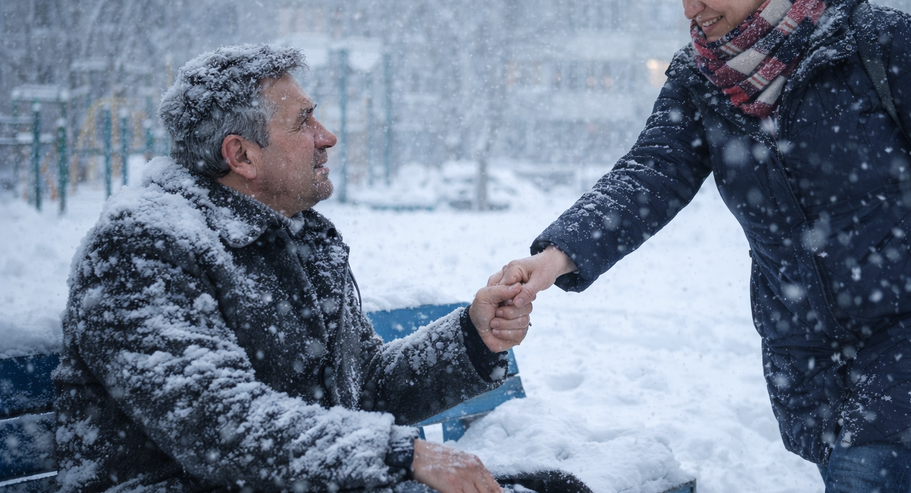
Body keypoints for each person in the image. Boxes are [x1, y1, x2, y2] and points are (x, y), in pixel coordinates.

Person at [491, 0, 911, 491]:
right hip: (806, 347)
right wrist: (554, 258)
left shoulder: (883, 45)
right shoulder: (700, 81)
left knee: (860, 479)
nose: (689, 7)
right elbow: (650, 173)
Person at [53, 44, 582, 493]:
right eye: (303, 121)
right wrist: (401, 456)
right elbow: (218, 423)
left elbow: (363, 388)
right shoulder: (141, 246)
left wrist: (473, 338)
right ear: (241, 155)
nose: (327, 136)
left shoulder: (299, 237)